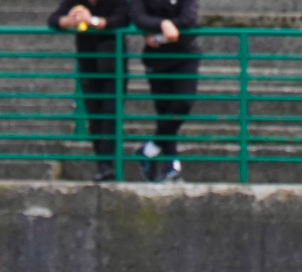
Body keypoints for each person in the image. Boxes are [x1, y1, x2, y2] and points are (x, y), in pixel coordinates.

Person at [48, 0, 130, 182]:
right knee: (94, 117)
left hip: (113, 66)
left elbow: (122, 19)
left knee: (110, 115)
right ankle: (103, 165)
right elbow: (53, 20)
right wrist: (69, 20)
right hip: (89, 65)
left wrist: (92, 21)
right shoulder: (76, 3)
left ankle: (108, 164)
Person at [129, 0, 201, 183]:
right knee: (164, 110)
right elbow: (138, 17)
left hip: (185, 54)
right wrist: (163, 24)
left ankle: (149, 150)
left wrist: (165, 30)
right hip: (157, 58)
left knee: (183, 103)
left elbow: (188, 18)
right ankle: (172, 167)